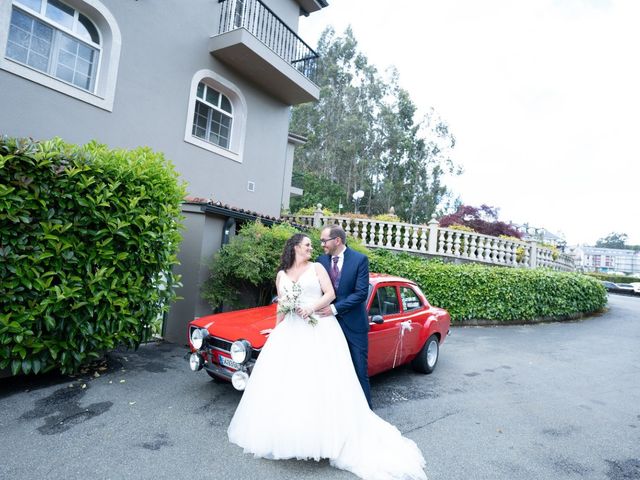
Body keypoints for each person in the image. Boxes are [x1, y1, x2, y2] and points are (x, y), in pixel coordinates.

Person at [227, 233, 427, 480]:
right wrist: (275, 331)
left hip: (318, 327)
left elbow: (330, 294)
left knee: (321, 381)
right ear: (295, 247)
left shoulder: (318, 267)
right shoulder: (281, 275)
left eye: (316, 243)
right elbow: (281, 305)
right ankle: (290, 434)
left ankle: (326, 436)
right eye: (308, 244)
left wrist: (311, 307)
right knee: (290, 383)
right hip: (290, 331)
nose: (313, 247)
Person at [315, 224, 372, 408]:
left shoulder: (360, 260)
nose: (322, 244)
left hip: (354, 326)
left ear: (337, 240)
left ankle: (366, 414)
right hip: (326, 326)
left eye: (324, 240)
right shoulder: (320, 261)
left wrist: (334, 309)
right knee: (329, 372)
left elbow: (361, 293)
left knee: (359, 371)